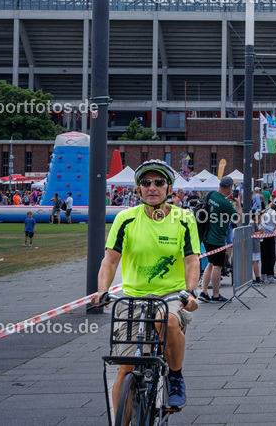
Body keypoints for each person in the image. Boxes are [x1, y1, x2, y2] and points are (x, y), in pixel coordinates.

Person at [91, 159, 200, 412]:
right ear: (138, 188)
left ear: (169, 188)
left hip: (171, 294)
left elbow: (192, 260)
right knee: (125, 368)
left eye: (159, 182)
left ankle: (175, 377)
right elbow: (109, 260)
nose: (152, 187)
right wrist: (102, 291)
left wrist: (191, 293)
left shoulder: (184, 219)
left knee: (169, 321)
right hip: (132, 296)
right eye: (146, 182)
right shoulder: (125, 218)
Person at [197, 177, 239, 303]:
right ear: (229, 188)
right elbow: (238, 217)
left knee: (210, 263)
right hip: (218, 239)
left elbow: (215, 208)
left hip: (206, 235)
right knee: (217, 266)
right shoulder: (225, 204)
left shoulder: (210, 195)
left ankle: (204, 292)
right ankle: (216, 295)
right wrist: (239, 204)